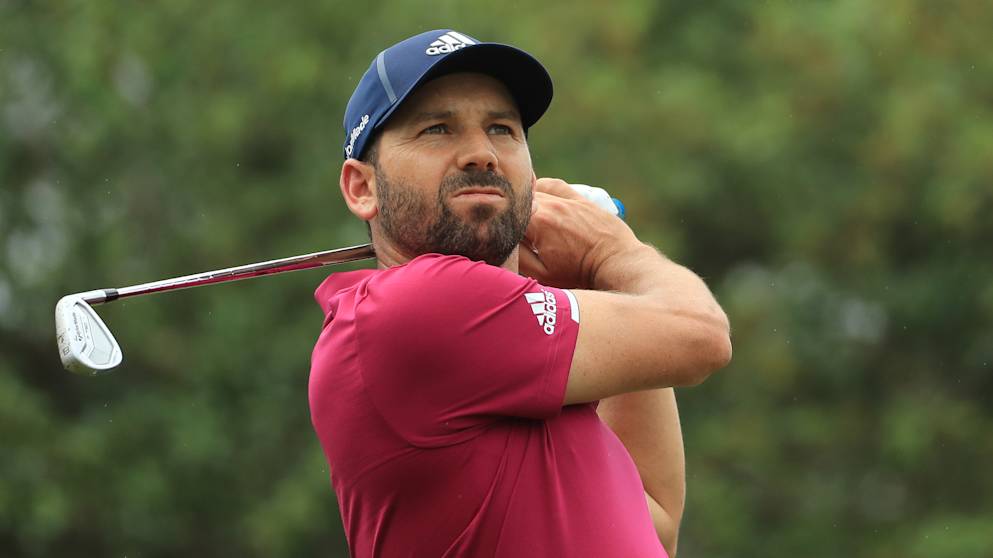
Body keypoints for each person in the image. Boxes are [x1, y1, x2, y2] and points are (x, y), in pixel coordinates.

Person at [308, 29, 731, 558]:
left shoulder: (515, 352)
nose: (481, 154)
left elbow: (655, 520)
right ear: (362, 187)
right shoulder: (412, 305)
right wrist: (609, 250)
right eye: (437, 129)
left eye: (502, 129)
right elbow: (701, 336)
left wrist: (592, 274)